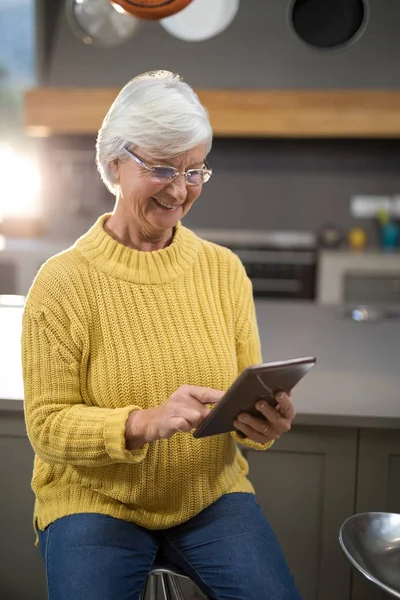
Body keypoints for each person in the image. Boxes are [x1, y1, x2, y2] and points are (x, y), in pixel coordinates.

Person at [22, 70, 301, 600]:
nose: (179, 189)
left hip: (209, 495)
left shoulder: (223, 271)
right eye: (163, 168)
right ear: (114, 165)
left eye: (195, 170)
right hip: (94, 500)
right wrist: (144, 422)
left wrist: (262, 422)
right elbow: (46, 426)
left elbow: (242, 399)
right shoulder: (62, 283)